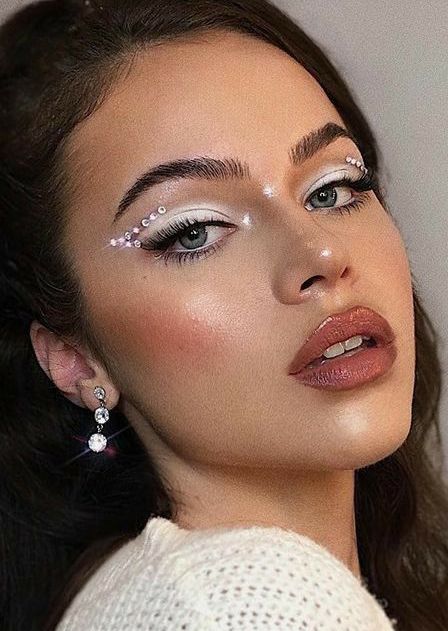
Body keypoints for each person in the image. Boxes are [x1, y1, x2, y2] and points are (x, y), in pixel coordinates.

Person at [0, 0, 447, 629]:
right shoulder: (240, 605)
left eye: (333, 189)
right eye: (194, 232)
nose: (322, 254)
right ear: (76, 359)